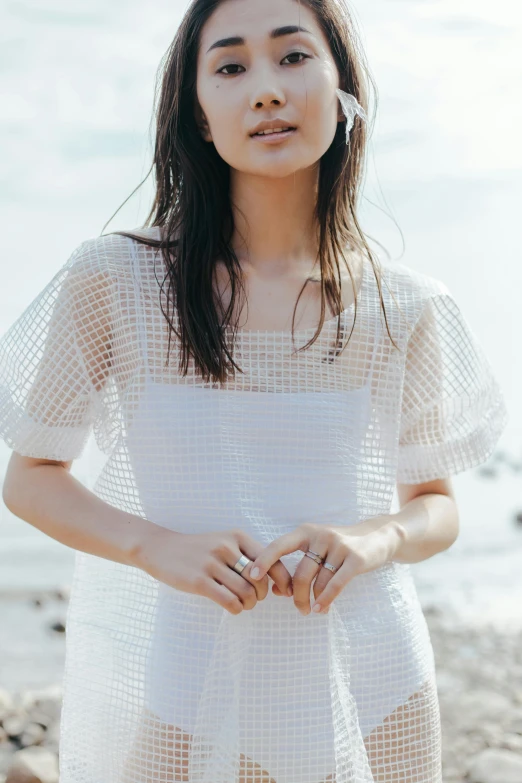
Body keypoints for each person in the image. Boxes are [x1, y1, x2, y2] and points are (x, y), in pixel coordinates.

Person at [0, 0, 509, 781]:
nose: (266, 89)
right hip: (188, 668)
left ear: (343, 91)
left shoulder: (405, 304)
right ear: (201, 116)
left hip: (373, 673)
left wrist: (373, 539)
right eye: (231, 67)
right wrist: (153, 544)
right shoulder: (120, 281)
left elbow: (437, 505)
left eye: (294, 57)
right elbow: (30, 478)